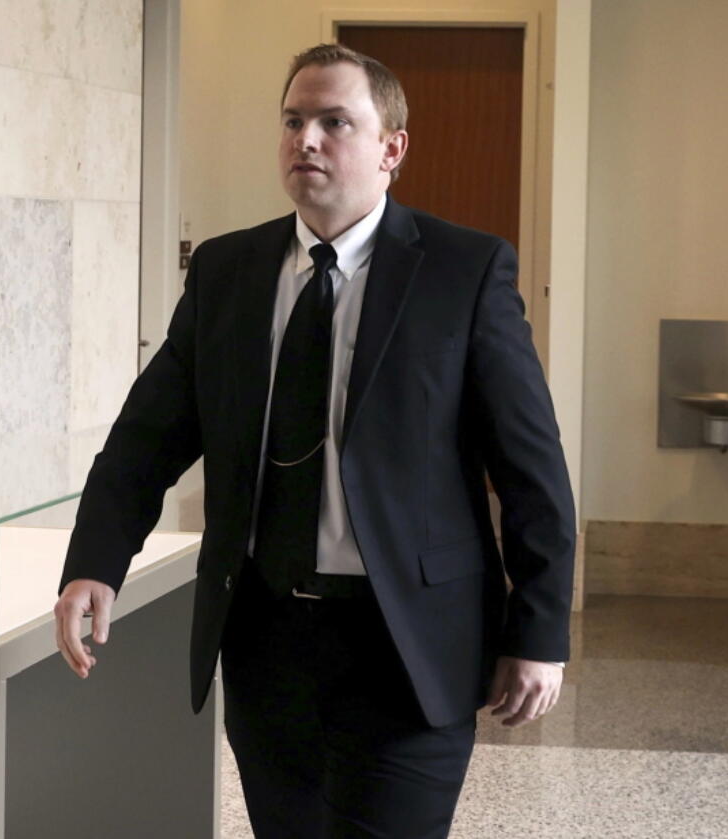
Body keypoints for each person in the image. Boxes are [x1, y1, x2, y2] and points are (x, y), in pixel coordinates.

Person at [54, 42, 575, 838]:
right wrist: (95, 559)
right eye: (294, 121)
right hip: (266, 642)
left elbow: (532, 470)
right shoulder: (229, 271)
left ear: (391, 148)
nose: (308, 140)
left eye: (336, 122)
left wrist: (538, 631)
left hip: (407, 646)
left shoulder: (464, 273)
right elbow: (145, 438)